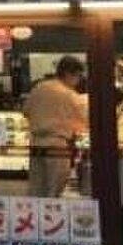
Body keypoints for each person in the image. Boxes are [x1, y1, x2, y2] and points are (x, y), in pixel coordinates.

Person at [24, 56, 89, 197]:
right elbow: (85, 121)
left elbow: (26, 111)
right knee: (54, 191)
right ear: (68, 74)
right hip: (57, 146)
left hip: (36, 144)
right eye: (78, 76)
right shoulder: (70, 95)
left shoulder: (39, 87)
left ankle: (37, 211)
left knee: (36, 190)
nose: (78, 81)